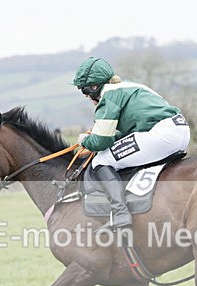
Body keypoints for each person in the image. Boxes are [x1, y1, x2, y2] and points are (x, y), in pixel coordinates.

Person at [72, 57, 190, 231]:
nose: (87, 97)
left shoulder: (109, 95)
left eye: (85, 92)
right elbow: (127, 131)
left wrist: (84, 140)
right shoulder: (132, 87)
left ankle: (120, 213)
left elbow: (101, 141)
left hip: (161, 135)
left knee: (101, 161)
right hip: (181, 130)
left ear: (94, 87)